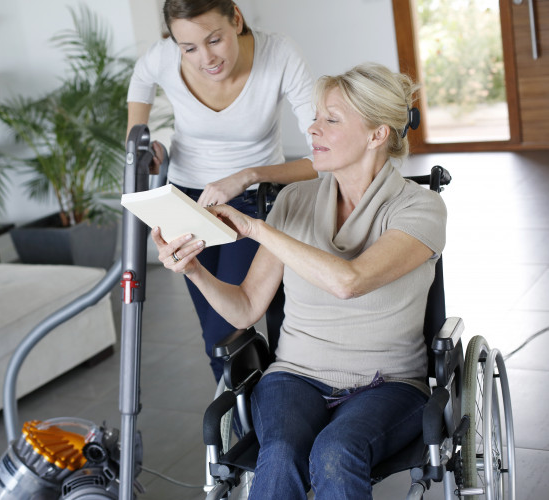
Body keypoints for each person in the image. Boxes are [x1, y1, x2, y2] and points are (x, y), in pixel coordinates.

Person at [151, 62, 447, 499]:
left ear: (377, 134)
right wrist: (193, 269)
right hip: (294, 376)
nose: (312, 129)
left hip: (389, 384)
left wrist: (256, 228)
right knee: (281, 450)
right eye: (315, 117)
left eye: (331, 119)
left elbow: (350, 281)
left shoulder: (420, 209)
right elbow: (247, 307)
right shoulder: (294, 201)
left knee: (336, 450)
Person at [127, 0, 317, 381]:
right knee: (216, 338)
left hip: (252, 200)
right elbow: (141, 81)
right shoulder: (164, 57)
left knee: (229, 328)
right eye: (189, 48)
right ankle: (239, 432)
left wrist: (247, 174)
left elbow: (323, 157)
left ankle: (277, 408)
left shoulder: (278, 53)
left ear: (237, 18)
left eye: (214, 40)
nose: (206, 58)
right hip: (185, 199)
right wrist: (141, 144)